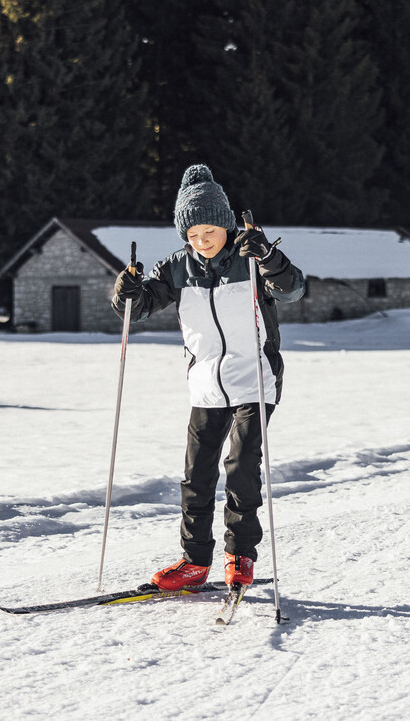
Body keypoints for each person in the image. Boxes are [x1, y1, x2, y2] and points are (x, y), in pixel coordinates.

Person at [111, 164, 307, 591]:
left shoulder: (250, 257)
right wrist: (126, 291)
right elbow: (137, 308)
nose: (202, 241)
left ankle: (240, 555)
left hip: (255, 378)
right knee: (196, 475)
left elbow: (292, 289)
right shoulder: (176, 268)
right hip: (205, 384)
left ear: (226, 225)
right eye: (193, 234)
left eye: (210, 231)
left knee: (241, 466)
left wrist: (268, 257)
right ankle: (194, 561)